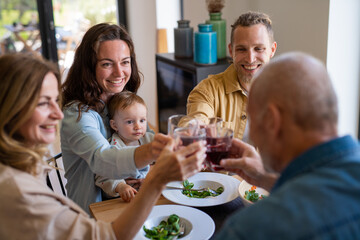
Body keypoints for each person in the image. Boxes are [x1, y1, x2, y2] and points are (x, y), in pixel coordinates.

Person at [0, 53, 206, 240]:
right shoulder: (19, 193)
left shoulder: (21, 168)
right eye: (43, 103)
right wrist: (156, 179)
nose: (58, 114)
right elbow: (107, 236)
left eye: (55, 100)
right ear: (10, 109)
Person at [213, 52, 360, 239]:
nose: (251, 136)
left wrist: (161, 179)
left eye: (251, 120)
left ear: (271, 121)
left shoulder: (250, 229)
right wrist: (267, 179)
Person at [61, 23, 168, 212]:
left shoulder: (123, 100)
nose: (119, 73)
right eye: (107, 64)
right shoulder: (76, 115)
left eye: (125, 62)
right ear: (88, 67)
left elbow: (144, 137)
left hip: (127, 203)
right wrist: (153, 151)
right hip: (91, 216)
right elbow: (102, 159)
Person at [187, 11, 277, 141]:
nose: (250, 59)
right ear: (231, 50)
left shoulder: (288, 94)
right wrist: (193, 130)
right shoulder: (207, 91)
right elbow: (194, 122)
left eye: (258, 49)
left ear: (272, 50)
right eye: (241, 49)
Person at [95, 91, 154, 202]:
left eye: (142, 120)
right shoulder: (113, 147)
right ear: (114, 125)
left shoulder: (149, 139)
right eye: (130, 122)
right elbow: (103, 176)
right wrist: (121, 186)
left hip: (149, 193)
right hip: (126, 199)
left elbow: (164, 159)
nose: (138, 127)